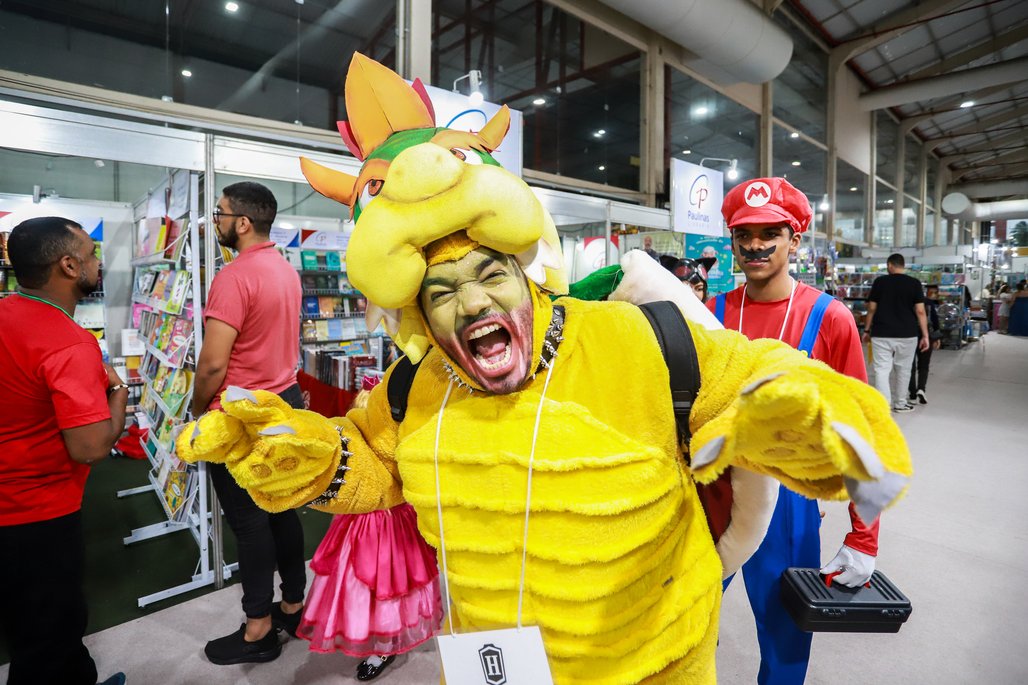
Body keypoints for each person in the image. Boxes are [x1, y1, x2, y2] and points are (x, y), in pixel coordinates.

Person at [175, 54, 912, 685]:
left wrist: (799, 419)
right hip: (490, 661)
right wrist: (288, 449)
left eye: (489, 274)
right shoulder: (413, 387)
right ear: (417, 317)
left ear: (525, 271)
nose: (470, 304)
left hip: (644, 660)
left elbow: (755, 379)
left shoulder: (640, 340)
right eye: (441, 293)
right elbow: (368, 462)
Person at [708, 178, 880, 685]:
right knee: (684, 625)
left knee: (784, 643)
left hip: (788, 503)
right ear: (733, 240)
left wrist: (864, 537)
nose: (755, 245)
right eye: (744, 234)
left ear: (795, 239)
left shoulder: (830, 319)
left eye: (770, 234)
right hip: (710, 494)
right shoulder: (710, 315)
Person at [0, 217, 127, 685]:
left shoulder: (7, 312)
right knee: (49, 634)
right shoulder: (70, 343)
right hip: (37, 511)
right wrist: (118, 395)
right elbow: (90, 447)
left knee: (29, 625)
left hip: (12, 505)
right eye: (91, 254)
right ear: (69, 265)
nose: (98, 262)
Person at [191, 182, 307, 665]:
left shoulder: (234, 276)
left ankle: (258, 627)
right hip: (283, 401)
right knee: (282, 506)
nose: (214, 221)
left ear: (241, 222)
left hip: (239, 412)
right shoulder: (285, 269)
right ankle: (293, 604)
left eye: (218, 213)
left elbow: (213, 364)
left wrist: (198, 409)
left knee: (249, 519)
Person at [297, 375, 442, 681]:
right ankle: (366, 633)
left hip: (394, 520)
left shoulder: (407, 436)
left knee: (392, 582)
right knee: (356, 583)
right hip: (360, 520)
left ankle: (386, 643)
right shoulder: (356, 443)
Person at [862, 253, 930, 412]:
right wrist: (925, 335)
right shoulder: (914, 283)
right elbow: (920, 311)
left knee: (881, 370)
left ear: (890, 265)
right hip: (907, 333)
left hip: (881, 332)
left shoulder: (880, 282)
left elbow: (871, 308)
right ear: (903, 265)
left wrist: (866, 330)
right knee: (904, 369)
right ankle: (900, 403)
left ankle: (883, 405)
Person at [908, 284, 942, 405]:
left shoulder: (907, 302)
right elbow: (935, 320)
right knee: (924, 365)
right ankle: (921, 389)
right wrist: (937, 338)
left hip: (910, 335)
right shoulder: (928, 302)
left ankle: (912, 394)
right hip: (927, 335)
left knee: (910, 366)